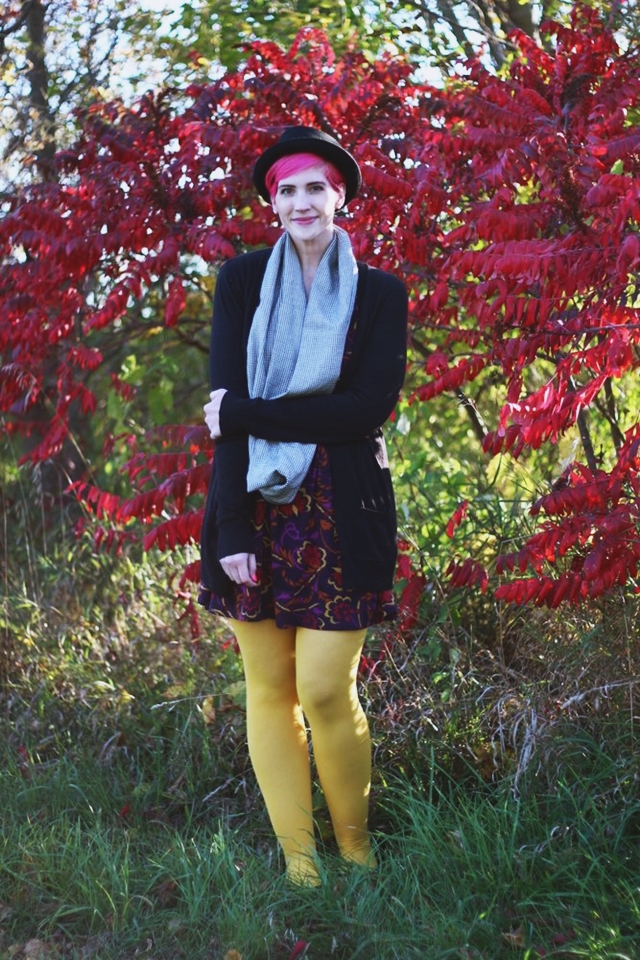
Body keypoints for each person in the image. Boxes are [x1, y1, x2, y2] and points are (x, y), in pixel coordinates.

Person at [200, 126, 408, 886]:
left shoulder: (380, 293)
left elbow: (363, 410)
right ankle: (301, 865)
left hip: (342, 508)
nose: (300, 201)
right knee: (268, 687)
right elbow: (223, 419)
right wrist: (228, 527)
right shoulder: (243, 282)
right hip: (251, 502)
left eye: (314, 186)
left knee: (325, 684)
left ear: (340, 196)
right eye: (286, 190)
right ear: (272, 204)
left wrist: (248, 412)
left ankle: (356, 847)